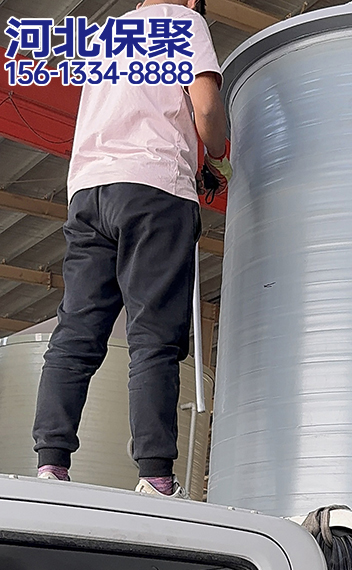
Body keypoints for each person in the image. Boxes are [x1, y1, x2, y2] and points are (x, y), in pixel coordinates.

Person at [32, 0, 231, 497]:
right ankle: (156, 477)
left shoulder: (106, 38)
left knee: (76, 333)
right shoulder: (184, 21)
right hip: (154, 191)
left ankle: (51, 464)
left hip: (89, 192)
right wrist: (218, 151)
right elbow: (207, 109)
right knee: (154, 336)